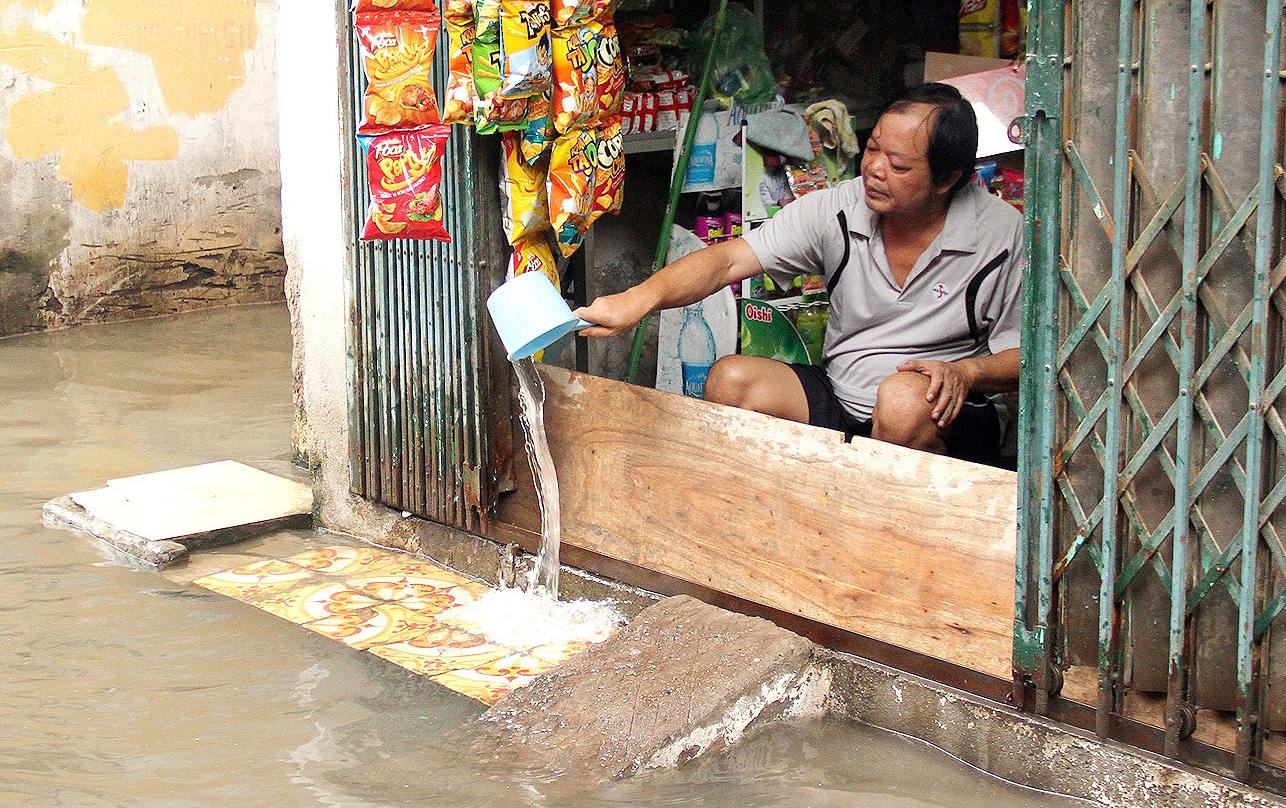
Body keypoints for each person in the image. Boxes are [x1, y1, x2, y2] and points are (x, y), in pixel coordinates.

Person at [575, 83, 1023, 465]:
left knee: (902, 402)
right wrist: (638, 300)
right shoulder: (839, 209)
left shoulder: (1001, 236)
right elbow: (727, 260)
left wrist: (968, 372)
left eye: (899, 164)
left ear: (947, 179)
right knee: (731, 382)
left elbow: (1027, 355)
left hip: (942, 415)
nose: (874, 169)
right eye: (872, 148)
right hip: (844, 394)